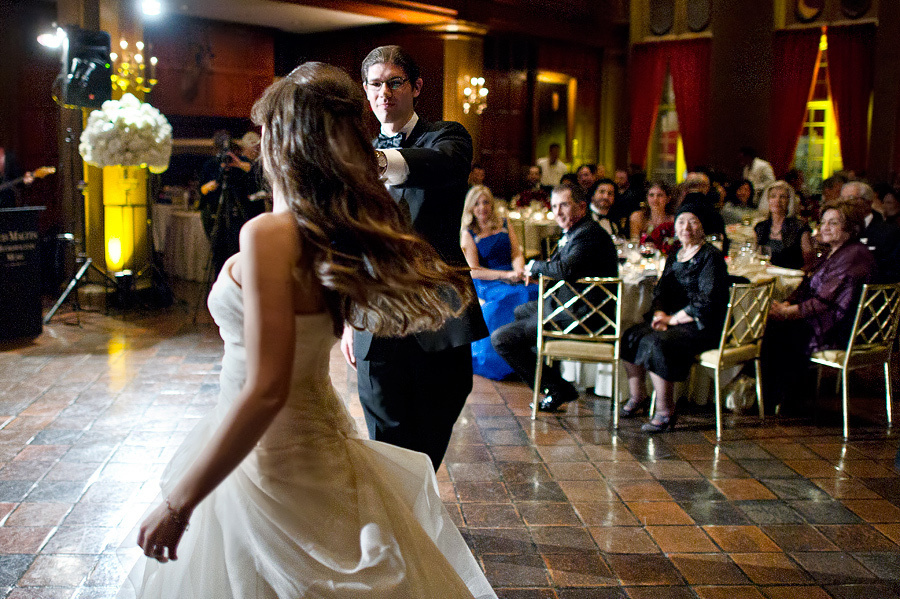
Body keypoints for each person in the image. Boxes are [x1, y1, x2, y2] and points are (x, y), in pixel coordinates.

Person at [127, 62, 496, 599]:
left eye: (266, 132)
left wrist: (179, 503)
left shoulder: (270, 237)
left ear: (285, 141)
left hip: (269, 464)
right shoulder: (329, 232)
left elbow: (267, 388)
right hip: (304, 445)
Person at [340, 45, 488, 469]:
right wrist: (350, 318)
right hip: (376, 315)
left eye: (394, 82)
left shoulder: (448, 137)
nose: (383, 92)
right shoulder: (359, 155)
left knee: (435, 422)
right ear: (365, 92)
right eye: (374, 84)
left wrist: (374, 161)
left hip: (438, 315)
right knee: (385, 437)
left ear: (416, 86)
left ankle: (416, 505)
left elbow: (440, 165)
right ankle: (400, 519)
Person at [491, 184, 618, 412]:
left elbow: (565, 269)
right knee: (521, 310)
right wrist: (541, 275)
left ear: (581, 206)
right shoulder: (578, 230)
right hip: (572, 304)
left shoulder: (589, 235)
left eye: (564, 205)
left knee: (501, 339)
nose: (557, 212)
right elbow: (568, 270)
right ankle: (551, 373)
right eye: (555, 205)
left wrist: (534, 266)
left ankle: (555, 387)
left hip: (583, 316)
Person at [619, 200, 729, 432]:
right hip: (672, 320)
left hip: (701, 324)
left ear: (702, 226)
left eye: (692, 222)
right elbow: (661, 290)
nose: (685, 227)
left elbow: (706, 301)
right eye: (681, 221)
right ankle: (638, 397)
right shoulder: (675, 254)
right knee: (630, 335)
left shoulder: (711, 257)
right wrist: (660, 312)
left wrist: (673, 319)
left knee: (658, 343)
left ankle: (665, 411)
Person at [763, 200, 875, 413]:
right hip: (826, 320)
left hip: (840, 329)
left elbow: (825, 301)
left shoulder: (854, 255)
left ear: (850, 227)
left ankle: (780, 401)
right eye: (823, 222)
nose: (824, 228)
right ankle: (780, 397)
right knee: (771, 324)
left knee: (776, 330)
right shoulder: (832, 251)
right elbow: (807, 285)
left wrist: (788, 312)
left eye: (833, 223)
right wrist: (788, 303)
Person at [461, 185, 538, 379]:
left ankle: (531, 359)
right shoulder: (469, 233)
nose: (482, 207)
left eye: (486, 202)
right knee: (508, 297)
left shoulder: (504, 223)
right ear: (470, 208)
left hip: (512, 274)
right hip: (488, 280)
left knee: (533, 292)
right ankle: (501, 362)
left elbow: (516, 253)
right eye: (477, 203)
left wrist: (519, 269)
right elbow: (474, 270)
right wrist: (505, 276)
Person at [842, 181, 900, 283]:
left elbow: (892, 272)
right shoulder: (839, 230)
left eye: (851, 199)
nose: (845, 204)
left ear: (868, 202)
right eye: (842, 199)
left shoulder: (889, 232)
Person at [754, 181, 814, 270]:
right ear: (768, 200)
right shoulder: (760, 227)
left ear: (789, 201)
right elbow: (754, 256)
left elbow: (809, 263)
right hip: (765, 276)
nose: (777, 200)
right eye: (773, 196)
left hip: (791, 278)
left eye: (782, 197)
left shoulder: (800, 227)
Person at [630, 180, 675, 252]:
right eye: (651, 195)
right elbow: (635, 245)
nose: (655, 199)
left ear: (668, 199)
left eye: (660, 195)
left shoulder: (673, 220)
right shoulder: (637, 217)